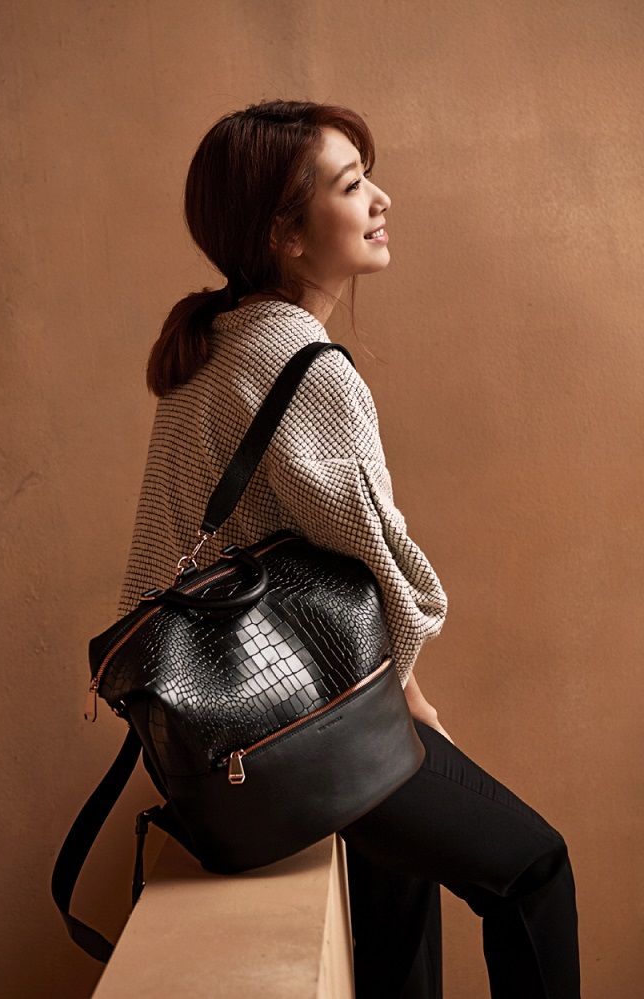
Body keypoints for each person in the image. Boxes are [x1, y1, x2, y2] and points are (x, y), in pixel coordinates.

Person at [119, 100, 580, 998]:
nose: (381, 199)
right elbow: (379, 563)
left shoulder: (209, 349)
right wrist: (410, 698)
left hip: (218, 743)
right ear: (286, 234)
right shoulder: (307, 364)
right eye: (351, 184)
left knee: (399, 895)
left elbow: (158, 565)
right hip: (308, 727)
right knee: (534, 868)